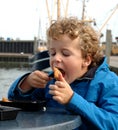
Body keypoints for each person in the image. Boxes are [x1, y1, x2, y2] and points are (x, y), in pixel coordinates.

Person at [8, 17, 118, 130]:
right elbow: (13, 102)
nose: (56, 58)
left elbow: (114, 123)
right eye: (52, 53)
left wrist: (73, 99)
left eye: (65, 54)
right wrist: (26, 84)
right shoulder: (50, 82)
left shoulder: (109, 82)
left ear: (86, 60)